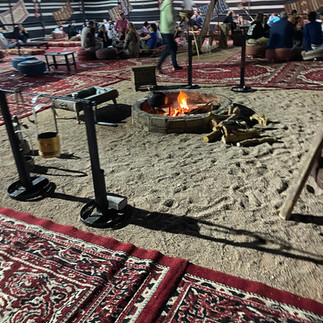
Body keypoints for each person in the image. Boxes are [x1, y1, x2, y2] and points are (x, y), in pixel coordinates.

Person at [157, 0, 183, 74]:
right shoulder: (169, 5)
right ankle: (159, 64)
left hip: (165, 29)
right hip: (167, 30)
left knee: (173, 47)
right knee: (169, 48)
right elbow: (171, 19)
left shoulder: (164, 4)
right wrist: (178, 18)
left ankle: (174, 64)